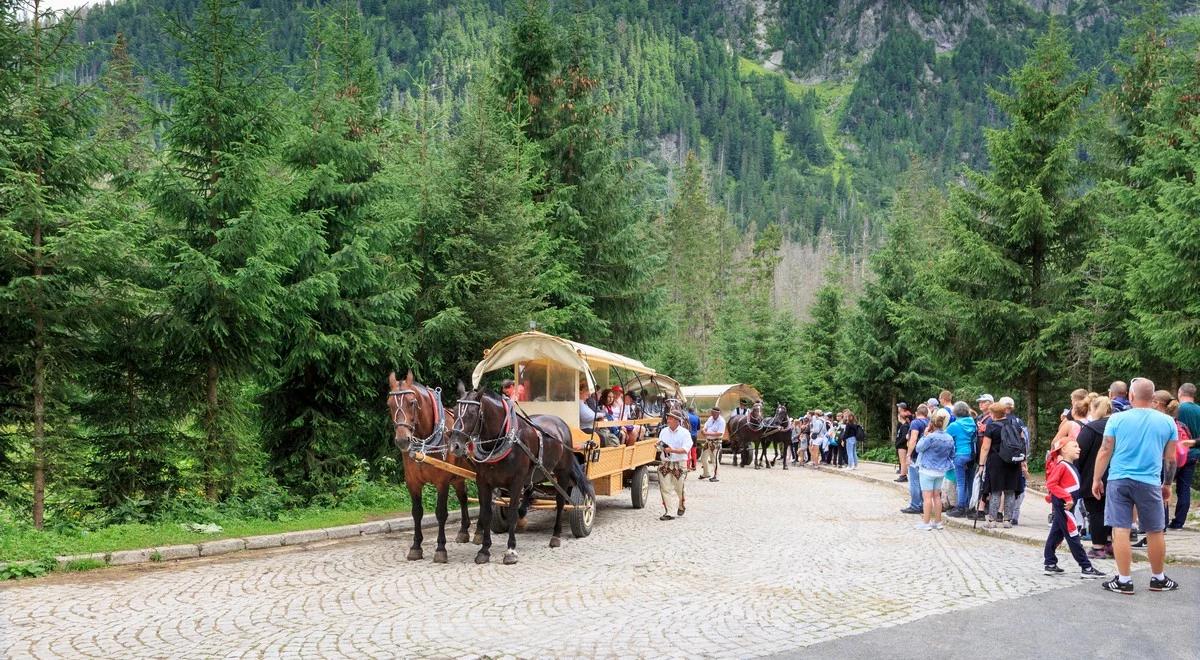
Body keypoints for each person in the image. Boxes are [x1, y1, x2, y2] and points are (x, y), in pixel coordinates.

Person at [1092, 378, 1180, 594]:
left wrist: (1096, 479)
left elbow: (1105, 450)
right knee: (1154, 529)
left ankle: (1124, 580)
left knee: (1120, 528)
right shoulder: (1167, 422)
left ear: (1131, 396)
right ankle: (1158, 578)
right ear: (1153, 398)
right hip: (1149, 481)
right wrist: (1167, 483)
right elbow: (1170, 458)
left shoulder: (1117, 419)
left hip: (1119, 479)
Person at [1043, 437, 1105, 579]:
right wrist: (1067, 498)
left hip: (1065, 504)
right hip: (1065, 505)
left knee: (1056, 533)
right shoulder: (1063, 466)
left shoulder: (1068, 465)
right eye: (1075, 446)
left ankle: (1050, 563)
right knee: (1073, 535)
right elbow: (1052, 484)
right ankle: (1086, 567)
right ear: (1063, 449)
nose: (1079, 448)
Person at [1077, 396, 1114, 559]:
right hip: (1117, 474)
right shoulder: (1119, 426)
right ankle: (1109, 542)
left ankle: (1098, 547)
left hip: (1093, 474)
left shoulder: (1091, 428)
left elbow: (1080, 452)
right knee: (1113, 511)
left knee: (1096, 511)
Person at [980, 402, 1021, 528]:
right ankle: (1007, 520)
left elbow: (985, 447)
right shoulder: (1015, 426)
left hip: (996, 461)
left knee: (996, 491)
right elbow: (1020, 444)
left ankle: (992, 521)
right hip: (1013, 462)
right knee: (1009, 491)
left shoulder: (991, 427)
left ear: (993, 414)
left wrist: (981, 465)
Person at [915, 410, 955, 530]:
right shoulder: (949, 438)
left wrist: (924, 435)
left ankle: (926, 523)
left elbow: (918, 448)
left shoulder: (930, 437)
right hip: (941, 470)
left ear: (932, 424)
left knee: (927, 497)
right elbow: (952, 454)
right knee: (937, 496)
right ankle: (938, 522)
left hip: (927, 469)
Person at [1170, 383, 1199, 528]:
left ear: (1180, 393)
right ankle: (1179, 522)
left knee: (1166, 484)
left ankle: (1161, 521)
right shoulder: (1199, 410)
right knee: (1184, 488)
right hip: (1193, 453)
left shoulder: (1178, 409)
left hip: (1175, 453)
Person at [998, 395, 1030, 525]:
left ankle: (999, 512)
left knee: (999, 487)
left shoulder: (999, 420)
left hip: (1001, 457)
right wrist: (1024, 459)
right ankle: (1011, 515)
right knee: (1011, 488)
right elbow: (1025, 441)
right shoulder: (1019, 422)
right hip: (1016, 458)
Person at [657, 410, 692, 521]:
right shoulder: (663, 431)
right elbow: (660, 444)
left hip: (679, 464)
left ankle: (681, 504)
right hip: (665, 464)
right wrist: (658, 446)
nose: (668, 420)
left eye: (671, 418)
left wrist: (672, 450)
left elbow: (686, 449)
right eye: (668, 417)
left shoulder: (685, 433)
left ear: (677, 421)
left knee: (679, 488)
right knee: (665, 488)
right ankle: (669, 512)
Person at [946, 402, 977, 517]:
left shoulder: (954, 425)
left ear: (955, 412)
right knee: (970, 481)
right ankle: (970, 506)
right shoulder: (973, 423)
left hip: (960, 455)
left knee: (960, 482)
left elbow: (944, 438)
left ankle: (960, 508)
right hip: (972, 455)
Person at [901, 404, 930, 514]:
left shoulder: (915, 423)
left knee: (914, 481)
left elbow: (913, 439)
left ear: (917, 413)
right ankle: (923, 504)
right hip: (926, 456)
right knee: (923, 482)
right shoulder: (929, 423)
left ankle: (915, 505)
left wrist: (908, 454)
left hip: (915, 456)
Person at [700, 407, 725, 481]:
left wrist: (706, 433)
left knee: (714, 459)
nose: (712, 414)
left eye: (714, 413)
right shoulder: (710, 418)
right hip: (708, 441)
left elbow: (720, 433)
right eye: (712, 413)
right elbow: (705, 426)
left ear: (718, 413)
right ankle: (706, 473)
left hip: (716, 442)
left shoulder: (722, 421)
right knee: (703, 457)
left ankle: (716, 476)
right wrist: (703, 430)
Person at [895, 403, 912, 481]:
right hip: (900, 446)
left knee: (903, 461)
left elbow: (904, 437)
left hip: (902, 446)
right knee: (902, 461)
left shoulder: (905, 426)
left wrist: (898, 444)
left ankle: (903, 475)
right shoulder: (902, 425)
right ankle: (902, 474)